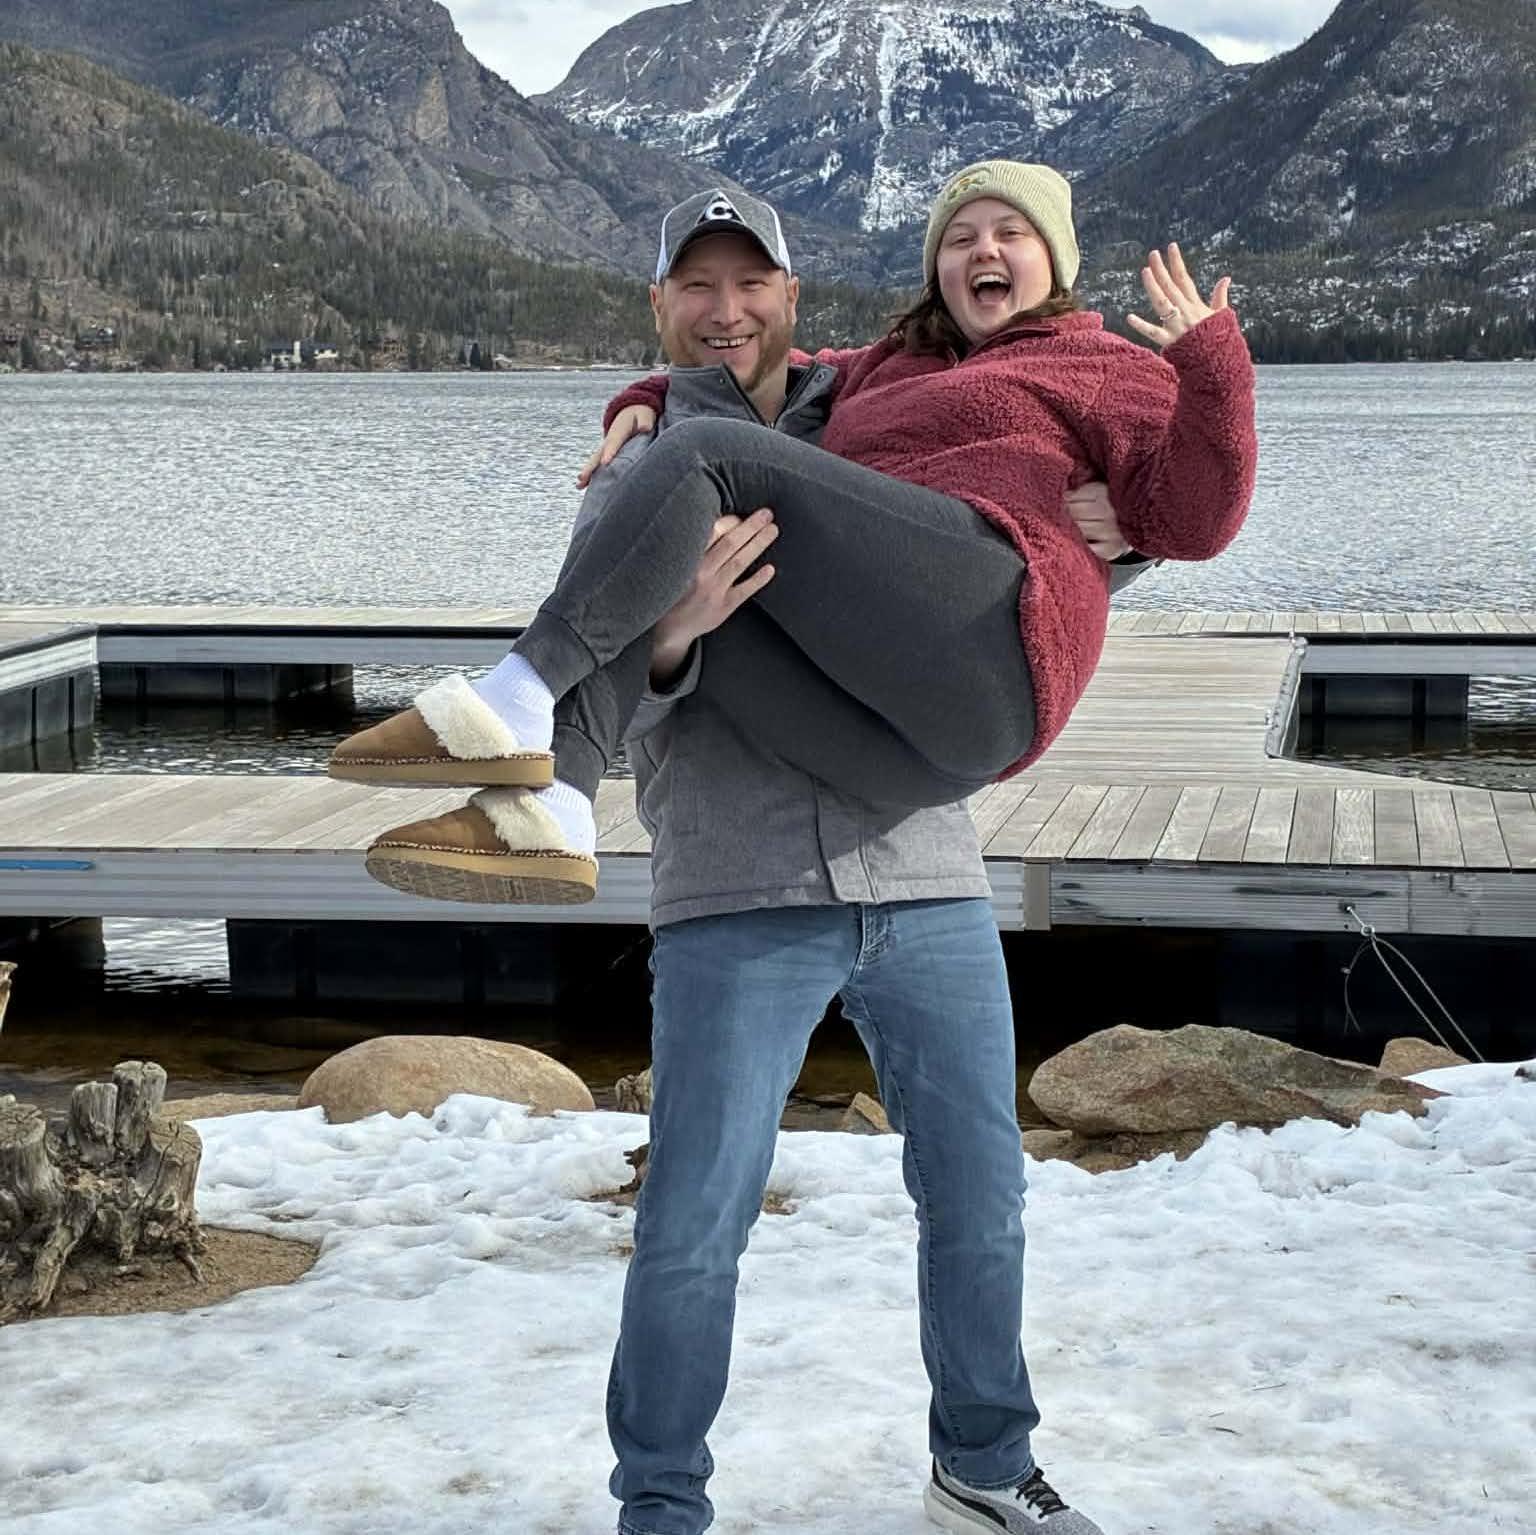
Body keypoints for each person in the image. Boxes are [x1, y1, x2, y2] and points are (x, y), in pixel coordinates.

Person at [328, 183, 1176, 1535]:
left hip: (922, 870)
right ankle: (662, 1502)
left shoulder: (889, 408)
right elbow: (613, 681)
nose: (726, 311)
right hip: (738, 880)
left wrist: (1129, 534)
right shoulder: (641, 472)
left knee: (982, 1192)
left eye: (751, 284)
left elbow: (1012, 564)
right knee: (693, 1221)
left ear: (792, 296)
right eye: (697, 288)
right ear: (660, 305)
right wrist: (673, 633)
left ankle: (984, 1458)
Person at [332, 161, 1254, 909]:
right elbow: (773, 371)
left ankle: (514, 692)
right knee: (716, 583)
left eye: (1010, 233)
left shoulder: (1098, 365)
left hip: (989, 632)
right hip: (915, 754)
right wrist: (648, 396)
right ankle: (558, 803)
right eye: (960, 237)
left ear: (1054, 261)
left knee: (707, 458)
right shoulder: (888, 368)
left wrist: (1209, 370)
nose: (984, 249)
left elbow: (1200, 517)